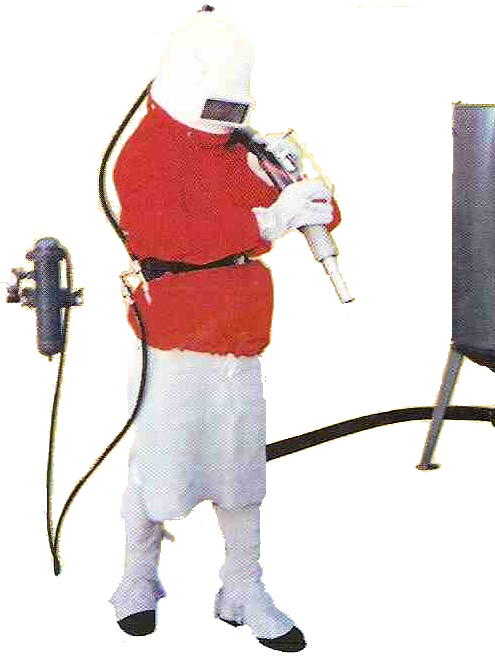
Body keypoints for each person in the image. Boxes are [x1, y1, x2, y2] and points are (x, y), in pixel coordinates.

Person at [108, 7, 340, 653]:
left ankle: (242, 586)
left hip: (241, 338)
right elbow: (164, 238)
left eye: (233, 111)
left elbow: (315, 211)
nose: (225, 121)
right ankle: (136, 578)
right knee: (160, 466)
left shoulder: (241, 146)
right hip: (174, 340)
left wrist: (307, 194)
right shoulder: (145, 154)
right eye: (216, 109)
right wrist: (269, 222)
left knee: (242, 471)